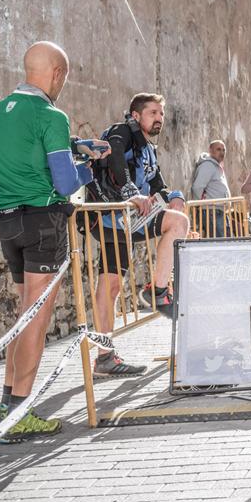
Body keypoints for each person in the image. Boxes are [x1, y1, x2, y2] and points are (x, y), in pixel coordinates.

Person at [0, 41, 102, 442]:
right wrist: (87, 168)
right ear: (57, 74)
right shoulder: (52, 114)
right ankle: (20, 412)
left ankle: (7, 402)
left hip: (6, 221)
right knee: (36, 317)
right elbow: (65, 182)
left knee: (22, 312)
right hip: (42, 220)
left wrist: (72, 149)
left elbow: (23, 156)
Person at [90, 93, 190, 373]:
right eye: (153, 113)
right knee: (108, 287)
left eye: (161, 114)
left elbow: (157, 182)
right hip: (112, 219)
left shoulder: (148, 148)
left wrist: (175, 196)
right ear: (136, 116)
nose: (159, 118)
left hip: (131, 220)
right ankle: (156, 292)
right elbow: (115, 158)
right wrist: (132, 193)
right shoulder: (122, 132)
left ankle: (104, 358)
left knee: (177, 221)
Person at [190, 139, 231, 237]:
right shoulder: (208, 165)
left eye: (223, 150)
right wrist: (200, 205)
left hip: (218, 211)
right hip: (211, 212)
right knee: (220, 243)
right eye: (218, 149)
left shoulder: (216, 166)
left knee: (224, 241)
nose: (222, 152)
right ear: (211, 150)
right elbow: (197, 187)